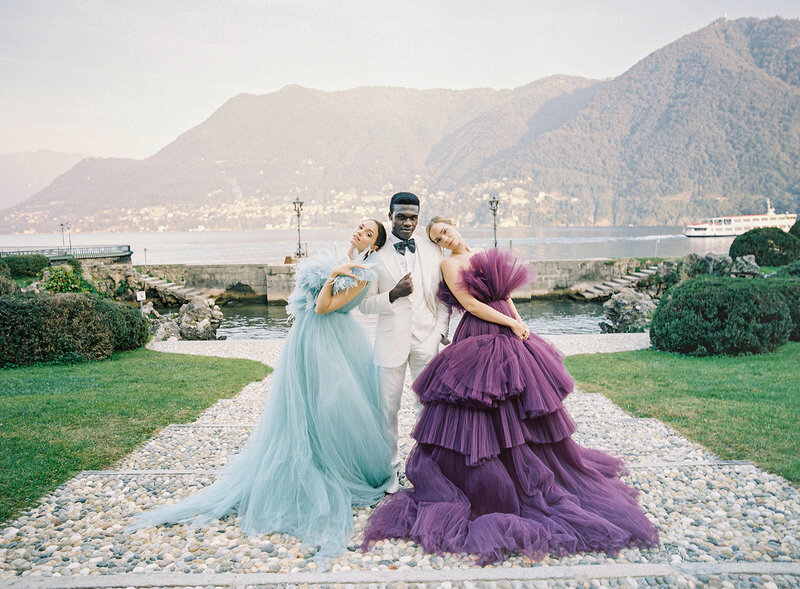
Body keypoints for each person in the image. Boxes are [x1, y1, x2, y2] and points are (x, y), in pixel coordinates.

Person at [362, 217, 659, 564]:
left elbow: (503, 294)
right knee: (484, 404)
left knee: (522, 401)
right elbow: (471, 305)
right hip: (482, 331)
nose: (444, 238)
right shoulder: (448, 263)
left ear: (454, 227)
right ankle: (487, 477)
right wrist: (509, 322)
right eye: (438, 237)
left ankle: (528, 466)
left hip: (508, 324)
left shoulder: (483, 253)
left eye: (445, 230)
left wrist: (519, 321)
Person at [129, 220, 395, 559]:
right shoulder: (340, 258)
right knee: (301, 404)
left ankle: (337, 466)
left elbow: (324, 307)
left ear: (373, 246)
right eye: (361, 226)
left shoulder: (363, 271)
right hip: (306, 338)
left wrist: (334, 275)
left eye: (369, 233)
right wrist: (330, 272)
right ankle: (306, 457)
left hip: (334, 343)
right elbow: (304, 300)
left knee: (333, 405)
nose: (360, 232)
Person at [358, 193, 451, 492]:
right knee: (387, 409)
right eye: (401, 217)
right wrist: (393, 294)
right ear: (390, 214)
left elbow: (443, 296)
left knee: (427, 408)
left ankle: (427, 470)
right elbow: (365, 305)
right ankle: (390, 474)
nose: (408, 223)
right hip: (390, 342)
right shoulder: (375, 250)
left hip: (427, 339)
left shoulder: (431, 246)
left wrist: (439, 332)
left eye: (413, 217)